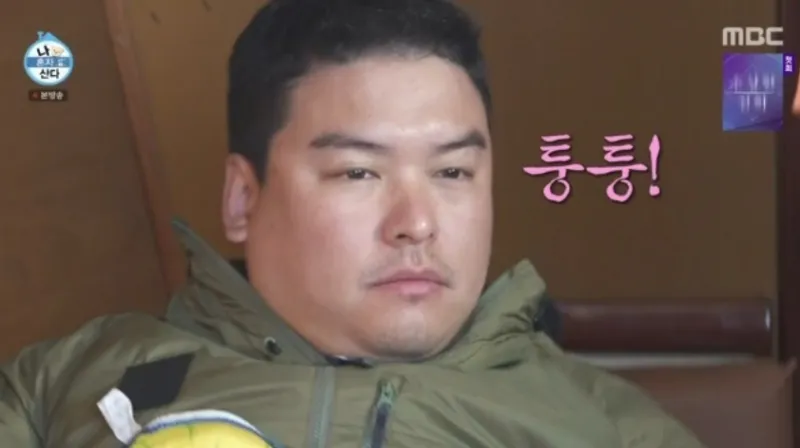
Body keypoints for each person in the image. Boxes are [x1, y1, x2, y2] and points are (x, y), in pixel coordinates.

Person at [0, 0, 707, 446]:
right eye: (359, 173)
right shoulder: (59, 385)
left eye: (453, 173)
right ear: (243, 199)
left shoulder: (606, 424)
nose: (417, 224)